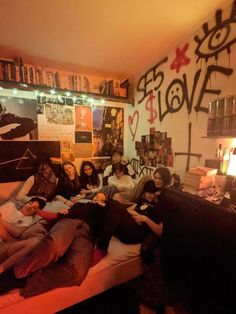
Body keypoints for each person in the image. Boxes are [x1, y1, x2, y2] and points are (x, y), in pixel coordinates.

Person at [0, 197, 46, 274]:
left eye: (34, 208)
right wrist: (7, 233)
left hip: (4, 246)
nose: (30, 207)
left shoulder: (29, 220)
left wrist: (1, 220)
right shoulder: (10, 206)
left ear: (36, 212)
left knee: (35, 242)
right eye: (30, 204)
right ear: (26, 203)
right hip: (7, 241)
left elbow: (17, 232)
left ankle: (1, 268)